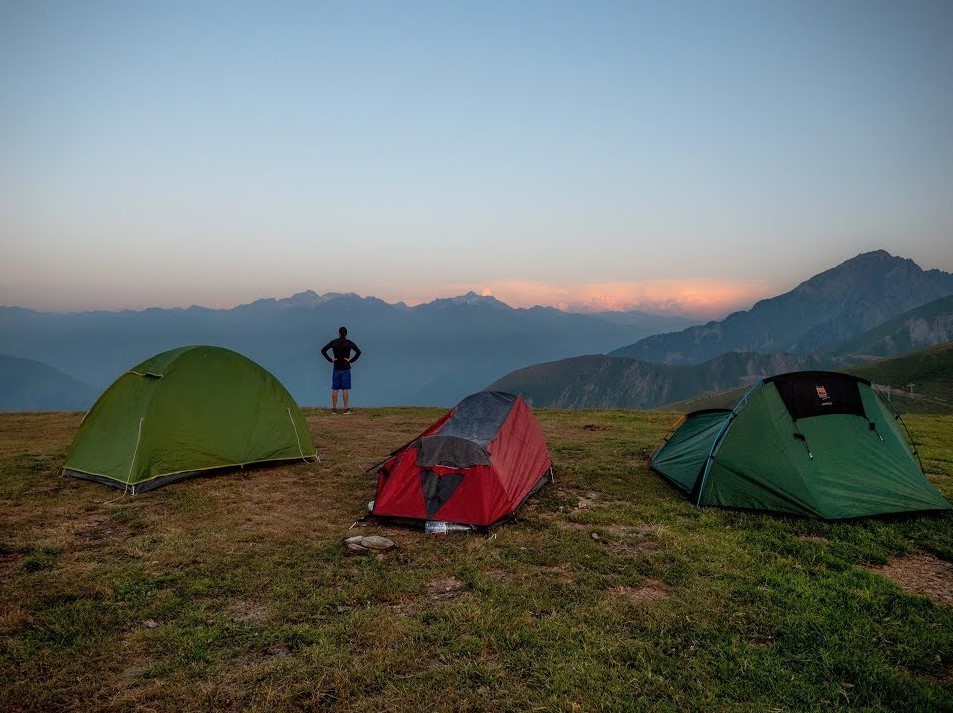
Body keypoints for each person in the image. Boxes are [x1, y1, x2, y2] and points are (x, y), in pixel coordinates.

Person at [321, 326, 361, 414]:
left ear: (339, 333)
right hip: (346, 368)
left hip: (336, 368)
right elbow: (358, 352)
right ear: (346, 334)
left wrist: (331, 360)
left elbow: (323, 350)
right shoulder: (349, 343)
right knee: (345, 389)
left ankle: (334, 409)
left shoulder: (334, 342)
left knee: (335, 389)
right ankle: (346, 409)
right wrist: (350, 360)